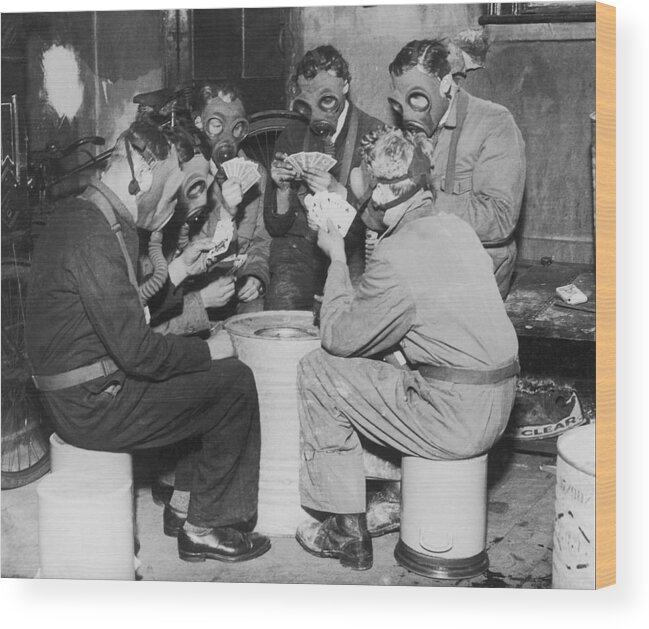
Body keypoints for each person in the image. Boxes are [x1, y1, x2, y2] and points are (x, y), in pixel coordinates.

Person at [25, 119, 271, 564]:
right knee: (233, 384)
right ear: (142, 177)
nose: (174, 204)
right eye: (171, 190)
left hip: (79, 391)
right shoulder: (94, 237)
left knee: (206, 378)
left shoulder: (83, 215)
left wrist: (177, 272)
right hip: (93, 405)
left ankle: (183, 507)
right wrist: (206, 350)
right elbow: (137, 351)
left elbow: (120, 310)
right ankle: (206, 528)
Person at [294, 127, 519, 570]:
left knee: (317, 371)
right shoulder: (457, 229)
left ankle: (345, 530)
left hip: (457, 418)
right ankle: (394, 492)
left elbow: (338, 339)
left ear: (379, 195)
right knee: (390, 358)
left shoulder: (395, 255)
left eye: (362, 189)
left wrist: (337, 259)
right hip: (501, 401)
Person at [387, 39, 526, 298]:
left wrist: (417, 209)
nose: (408, 115)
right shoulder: (407, 133)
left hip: (475, 269)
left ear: (446, 83)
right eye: (400, 103)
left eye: (417, 98)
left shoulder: (494, 123)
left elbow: (500, 218)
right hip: (420, 260)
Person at [264, 45, 383, 310]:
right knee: (283, 311)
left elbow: (381, 218)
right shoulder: (293, 135)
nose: (317, 113)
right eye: (309, 103)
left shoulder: (374, 134)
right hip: (300, 249)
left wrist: (339, 191)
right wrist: (282, 189)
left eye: (326, 100)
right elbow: (276, 228)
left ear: (345, 86)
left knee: (355, 318)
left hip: (354, 250)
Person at [151, 82, 271, 335]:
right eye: (216, 125)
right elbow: (177, 253)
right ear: (199, 123)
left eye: (236, 127)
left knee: (258, 328)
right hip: (192, 293)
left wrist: (256, 277)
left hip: (237, 290)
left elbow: (261, 241)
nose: (227, 137)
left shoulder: (256, 175)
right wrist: (201, 298)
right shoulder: (186, 176)